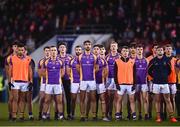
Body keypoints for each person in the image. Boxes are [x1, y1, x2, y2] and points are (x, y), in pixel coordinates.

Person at [148, 46, 177, 123]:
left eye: (161, 50)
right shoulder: (153, 61)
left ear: (163, 51)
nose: (160, 51)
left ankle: (172, 117)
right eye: (158, 50)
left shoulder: (167, 60)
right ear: (156, 52)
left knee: (168, 100)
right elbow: (149, 71)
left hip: (165, 83)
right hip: (156, 83)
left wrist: (164, 76)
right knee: (157, 100)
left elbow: (169, 70)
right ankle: (158, 117)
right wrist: (154, 77)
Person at [8, 43, 33, 121]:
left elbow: (30, 70)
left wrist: (31, 81)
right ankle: (14, 115)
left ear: (24, 50)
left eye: (22, 50)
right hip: (15, 81)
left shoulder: (29, 58)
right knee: (15, 99)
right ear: (17, 50)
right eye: (19, 49)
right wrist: (9, 81)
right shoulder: (12, 58)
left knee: (22, 99)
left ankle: (21, 115)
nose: (21, 51)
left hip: (25, 82)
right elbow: (10, 70)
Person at [76, 40, 98, 121]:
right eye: (86, 45)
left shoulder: (95, 56)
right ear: (84, 46)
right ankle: (82, 116)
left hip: (92, 80)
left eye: (89, 44)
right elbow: (78, 68)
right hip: (83, 80)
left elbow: (97, 68)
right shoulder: (80, 56)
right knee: (82, 99)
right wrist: (83, 74)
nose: (88, 46)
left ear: (91, 46)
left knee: (93, 98)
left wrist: (91, 73)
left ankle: (94, 116)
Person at [42, 46, 65, 120]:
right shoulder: (46, 61)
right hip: (49, 84)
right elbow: (43, 72)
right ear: (50, 52)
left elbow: (63, 72)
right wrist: (50, 78)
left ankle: (61, 116)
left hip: (58, 84)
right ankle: (44, 116)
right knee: (46, 100)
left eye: (54, 50)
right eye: (52, 50)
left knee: (59, 101)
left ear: (56, 51)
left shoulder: (60, 61)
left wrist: (57, 78)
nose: (53, 51)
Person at [114, 46, 136, 120]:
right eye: (124, 51)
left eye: (126, 51)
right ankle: (117, 114)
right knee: (119, 100)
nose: (125, 52)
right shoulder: (117, 61)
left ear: (128, 52)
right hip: (121, 84)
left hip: (130, 84)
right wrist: (116, 84)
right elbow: (115, 73)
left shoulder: (133, 61)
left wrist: (134, 84)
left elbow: (134, 73)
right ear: (121, 52)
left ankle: (133, 114)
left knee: (132, 100)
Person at [105, 41, 120, 119]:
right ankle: (110, 113)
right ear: (110, 48)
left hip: (118, 79)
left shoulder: (120, 57)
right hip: (110, 79)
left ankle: (118, 114)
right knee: (110, 98)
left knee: (118, 98)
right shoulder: (107, 57)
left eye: (115, 46)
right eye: (112, 46)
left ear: (117, 47)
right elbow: (104, 69)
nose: (113, 48)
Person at [58, 42, 73, 120]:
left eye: (64, 47)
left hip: (67, 79)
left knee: (68, 97)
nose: (62, 48)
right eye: (61, 47)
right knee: (58, 97)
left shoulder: (70, 57)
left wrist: (72, 77)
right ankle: (59, 114)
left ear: (66, 49)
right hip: (58, 80)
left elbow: (73, 68)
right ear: (59, 49)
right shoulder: (56, 57)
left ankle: (69, 114)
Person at [67, 45, 82, 119]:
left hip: (83, 82)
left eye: (79, 50)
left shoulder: (84, 59)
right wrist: (71, 78)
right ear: (75, 51)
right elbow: (68, 71)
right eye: (77, 50)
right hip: (74, 82)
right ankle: (72, 114)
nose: (78, 51)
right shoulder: (72, 60)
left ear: (81, 51)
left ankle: (83, 115)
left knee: (82, 99)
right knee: (73, 99)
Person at [135, 44, 149, 120]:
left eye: (141, 49)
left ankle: (146, 114)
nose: (139, 51)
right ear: (136, 51)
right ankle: (140, 114)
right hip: (136, 82)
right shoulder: (133, 60)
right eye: (138, 49)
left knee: (145, 99)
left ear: (142, 50)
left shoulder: (146, 60)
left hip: (144, 82)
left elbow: (148, 72)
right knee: (138, 99)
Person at [5, 41, 18, 120]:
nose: (16, 48)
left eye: (17, 46)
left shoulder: (22, 57)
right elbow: (7, 71)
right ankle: (10, 114)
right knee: (11, 98)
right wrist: (10, 81)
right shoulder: (9, 58)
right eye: (15, 46)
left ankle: (16, 114)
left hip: (21, 79)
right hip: (12, 79)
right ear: (12, 48)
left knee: (18, 98)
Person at [165, 44, 180, 115]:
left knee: (173, 99)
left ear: (171, 50)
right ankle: (164, 114)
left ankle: (172, 115)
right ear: (165, 50)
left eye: (169, 49)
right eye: (167, 49)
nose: (168, 50)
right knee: (165, 100)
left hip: (173, 82)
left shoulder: (176, 60)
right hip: (164, 82)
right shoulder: (162, 59)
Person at [37, 46, 50, 120]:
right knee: (42, 98)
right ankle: (40, 113)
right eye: (46, 51)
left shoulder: (53, 60)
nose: (47, 52)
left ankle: (47, 114)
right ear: (44, 52)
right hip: (44, 82)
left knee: (48, 99)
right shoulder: (41, 61)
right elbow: (39, 74)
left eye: (49, 51)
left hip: (51, 82)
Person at [146, 43, 158, 119]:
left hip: (160, 81)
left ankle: (162, 114)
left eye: (158, 48)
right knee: (150, 99)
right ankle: (149, 114)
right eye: (155, 48)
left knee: (160, 98)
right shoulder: (148, 59)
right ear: (152, 49)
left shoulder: (162, 58)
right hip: (151, 81)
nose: (156, 50)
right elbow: (146, 71)